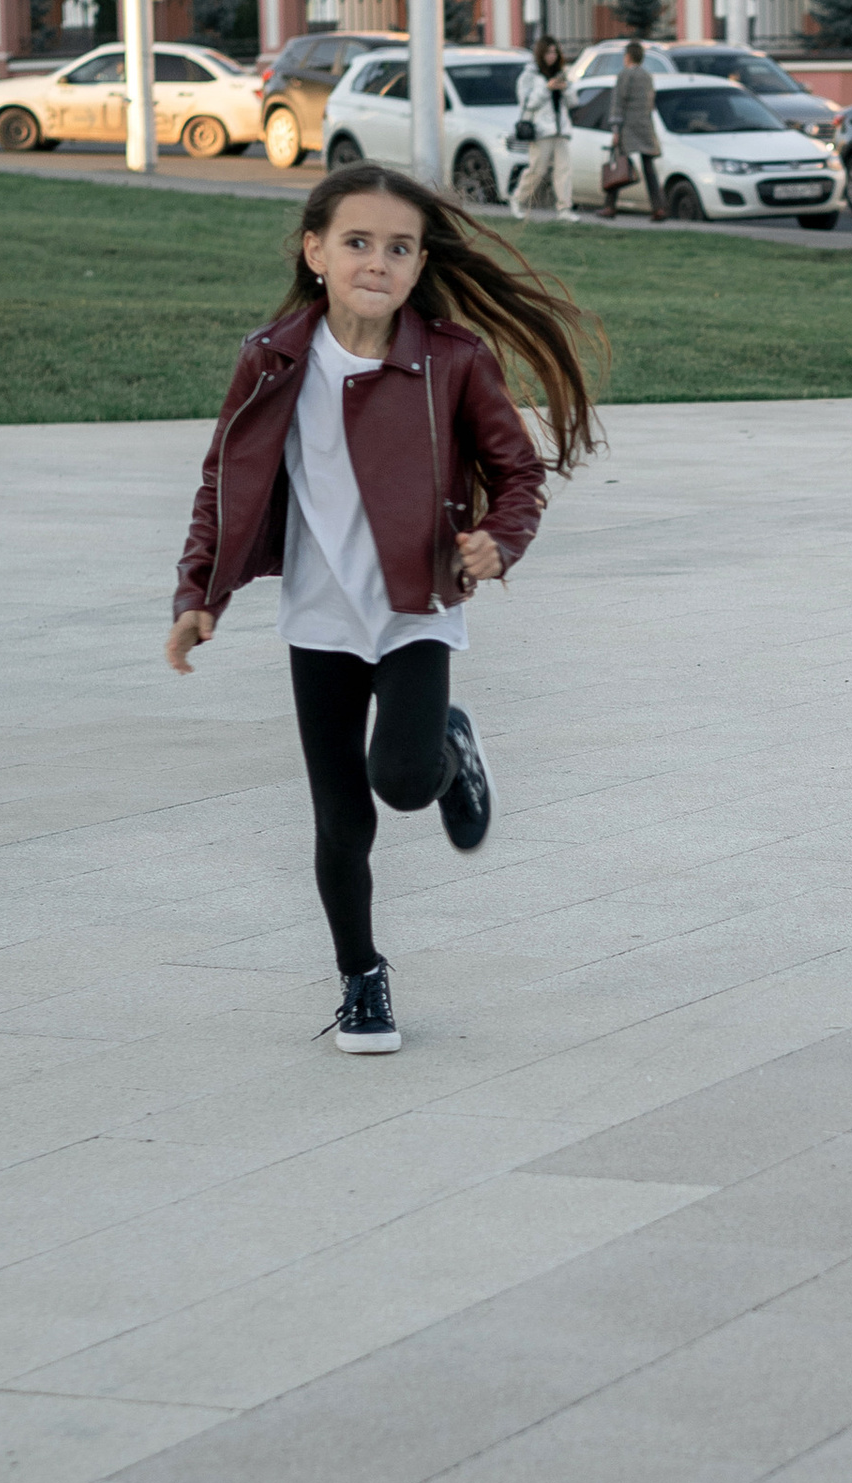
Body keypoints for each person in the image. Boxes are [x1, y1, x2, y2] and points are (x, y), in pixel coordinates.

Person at [166, 164, 601, 1052]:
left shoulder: (451, 360)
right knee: (340, 817)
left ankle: (448, 742)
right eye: (357, 242)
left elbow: (518, 475)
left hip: (415, 606)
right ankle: (362, 980)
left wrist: (497, 540)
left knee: (400, 783)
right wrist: (198, 594)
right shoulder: (271, 358)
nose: (378, 261)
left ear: (417, 263)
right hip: (319, 618)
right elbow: (225, 478)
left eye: (399, 247)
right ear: (314, 250)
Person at [512, 34, 577, 219]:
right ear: (541, 53)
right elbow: (527, 103)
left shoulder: (561, 72)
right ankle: (517, 200)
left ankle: (564, 209)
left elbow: (573, 102)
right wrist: (546, 88)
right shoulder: (530, 75)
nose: (552, 56)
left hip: (561, 129)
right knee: (537, 170)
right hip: (541, 130)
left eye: (555, 52)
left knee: (563, 170)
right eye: (548, 52)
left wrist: (565, 88)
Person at [601, 36, 664, 221]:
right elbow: (650, 101)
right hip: (645, 125)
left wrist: (615, 130)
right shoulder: (647, 76)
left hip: (628, 127)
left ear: (628, 56)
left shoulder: (624, 75)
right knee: (649, 167)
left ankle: (610, 206)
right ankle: (658, 206)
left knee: (619, 164)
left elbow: (618, 103)